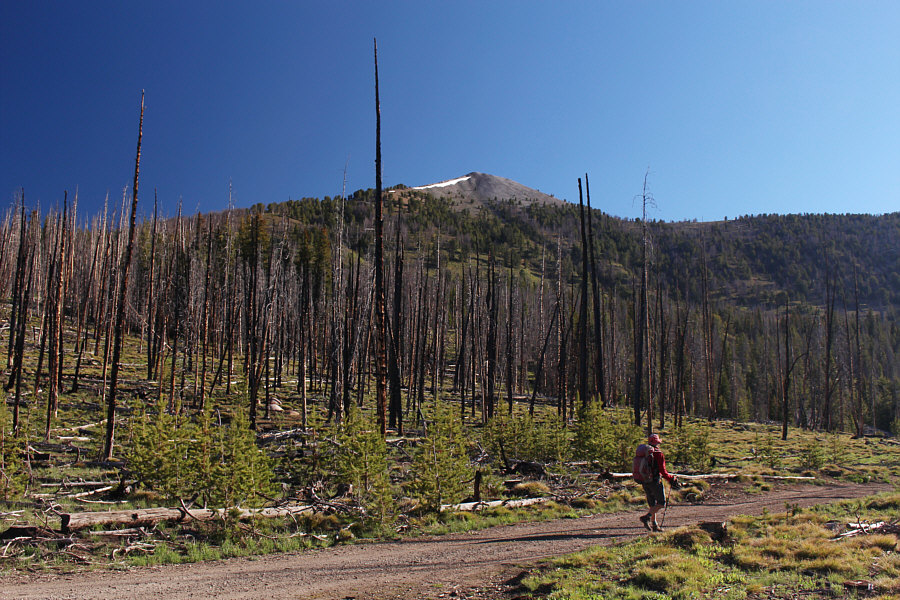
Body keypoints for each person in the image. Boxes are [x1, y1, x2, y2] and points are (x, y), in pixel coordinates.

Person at [639, 433, 677, 532]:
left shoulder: (644, 453)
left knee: (652, 504)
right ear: (657, 443)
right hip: (655, 481)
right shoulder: (658, 454)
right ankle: (647, 517)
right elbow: (663, 471)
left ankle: (655, 525)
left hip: (644, 480)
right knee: (661, 503)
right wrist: (671, 478)